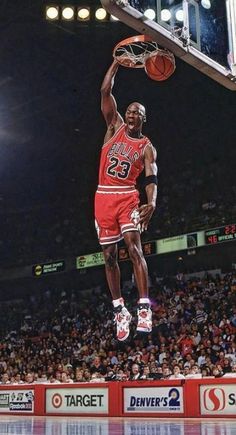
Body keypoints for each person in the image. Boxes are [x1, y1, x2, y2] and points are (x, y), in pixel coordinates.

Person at [94, 59, 157, 341]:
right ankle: (120, 310)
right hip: (103, 197)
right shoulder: (113, 127)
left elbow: (151, 177)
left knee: (134, 249)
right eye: (129, 111)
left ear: (144, 119)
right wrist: (117, 62)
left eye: (137, 113)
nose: (132, 115)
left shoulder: (146, 147)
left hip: (128, 198)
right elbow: (105, 90)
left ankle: (144, 307)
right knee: (109, 258)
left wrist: (151, 202)